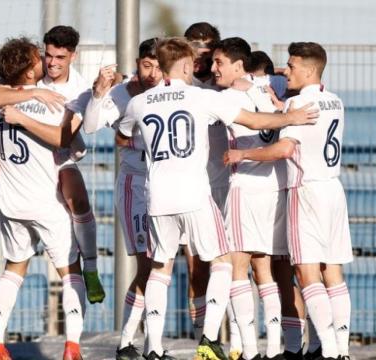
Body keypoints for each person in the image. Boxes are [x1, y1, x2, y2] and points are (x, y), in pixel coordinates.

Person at [118, 37, 319, 360]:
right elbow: (253, 121)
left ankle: (153, 347)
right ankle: (210, 337)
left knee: (160, 268)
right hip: (195, 194)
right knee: (223, 262)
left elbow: (123, 135)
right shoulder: (200, 98)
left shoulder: (139, 103)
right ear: (185, 65)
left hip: (157, 196)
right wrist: (289, 119)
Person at [0, 25, 106, 304]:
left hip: (54, 154)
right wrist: (34, 94)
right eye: (47, 55)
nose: (51, 63)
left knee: (76, 195)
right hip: (12, 152)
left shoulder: (78, 89)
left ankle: (90, 268)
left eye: (59, 58)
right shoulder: (28, 74)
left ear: (73, 57)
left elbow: (64, 139)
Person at [224, 42, 353, 360]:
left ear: (308, 70)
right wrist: (278, 97)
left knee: (307, 272)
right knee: (332, 272)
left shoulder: (300, 103)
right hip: (333, 189)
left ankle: (329, 350)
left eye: (292, 66)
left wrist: (243, 153)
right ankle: (342, 349)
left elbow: (283, 150)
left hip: (305, 189)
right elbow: (300, 105)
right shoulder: (333, 100)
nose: (286, 70)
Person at [0, 37, 87, 360]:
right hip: (45, 202)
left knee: (13, 270)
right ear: (29, 72)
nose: (44, 60)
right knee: (71, 272)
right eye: (36, 58)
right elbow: (63, 138)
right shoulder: (49, 103)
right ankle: (72, 347)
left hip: (11, 203)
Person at [211, 37, 307, 360]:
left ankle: (249, 351)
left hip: (246, 185)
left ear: (239, 65)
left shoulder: (228, 96)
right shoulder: (275, 88)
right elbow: (276, 75)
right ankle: (276, 348)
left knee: (237, 266)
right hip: (275, 188)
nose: (213, 70)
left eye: (219, 63)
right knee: (264, 269)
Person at [81, 38, 163, 360]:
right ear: (137, 63)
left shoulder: (170, 91)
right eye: (147, 65)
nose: (153, 72)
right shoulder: (121, 93)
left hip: (166, 187)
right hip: (136, 186)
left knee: (161, 265)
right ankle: (130, 342)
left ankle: (144, 344)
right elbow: (89, 126)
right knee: (148, 265)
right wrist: (99, 93)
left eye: (158, 66)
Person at [183, 21, 224, 343]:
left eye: (206, 52)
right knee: (196, 266)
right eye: (193, 50)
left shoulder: (227, 85)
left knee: (233, 264)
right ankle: (203, 340)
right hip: (193, 186)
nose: (199, 58)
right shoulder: (181, 85)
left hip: (228, 185)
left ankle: (233, 338)